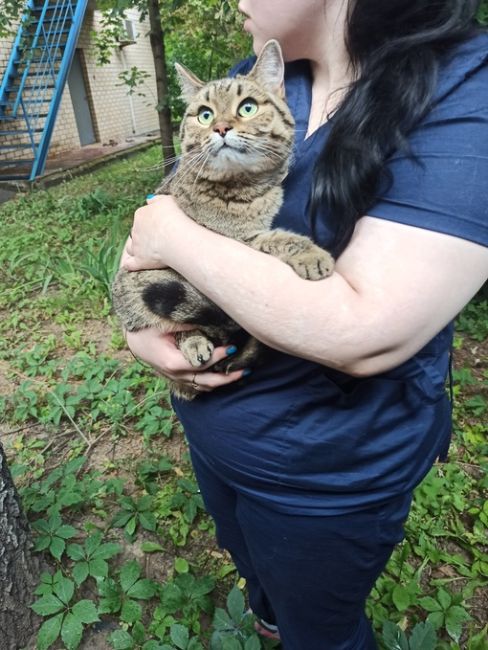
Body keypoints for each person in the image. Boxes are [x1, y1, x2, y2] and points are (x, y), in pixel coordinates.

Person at [121, 1, 488, 648]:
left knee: (321, 630)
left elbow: (363, 326)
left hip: (323, 481)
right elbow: (153, 229)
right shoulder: (262, 75)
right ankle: (266, 617)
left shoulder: (463, 82)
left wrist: (167, 231)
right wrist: (138, 326)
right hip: (214, 437)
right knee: (261, 581)